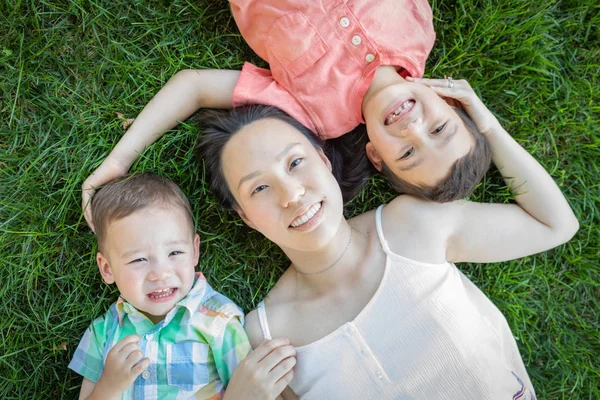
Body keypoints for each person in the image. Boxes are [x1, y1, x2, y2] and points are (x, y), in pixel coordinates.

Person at [196, 79, 579, 399]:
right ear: (245, 217)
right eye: (260, 187)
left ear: (324, 161)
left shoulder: (410, 225)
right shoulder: (267, 336)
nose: (291, 194)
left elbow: (554, 225)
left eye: (296, 162)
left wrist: (486, 125)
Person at [81, 0, 492, 229]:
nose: (413, 129)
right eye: (440, 127)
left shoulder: (312, 115)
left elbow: (193, 86)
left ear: (376, 156)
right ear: (452, 102)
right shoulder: (419, 28)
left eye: (407, 154)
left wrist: (118, 161)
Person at [68, 173, 255, 399]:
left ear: (194, 251)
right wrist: (109, 386)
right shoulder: (103, 334)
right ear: (107, 268)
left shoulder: (219, 322)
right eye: (138, 260)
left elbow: (250, 391)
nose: (160, 273)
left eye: (175, 253)